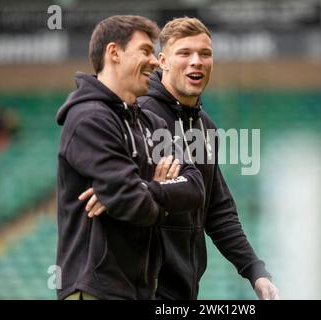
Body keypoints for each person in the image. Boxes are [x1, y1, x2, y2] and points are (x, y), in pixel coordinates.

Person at [80, 17, 280, 300]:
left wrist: (256, 272)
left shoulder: (206, 129)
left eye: (205, 54)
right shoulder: (140, 116)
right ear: (162, 61)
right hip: (142, 289)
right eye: (184, 53)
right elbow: (116, 191)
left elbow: (218, 210)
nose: (196, 61)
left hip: (184, 292)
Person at [56, 15, 204, 300]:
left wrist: (149, 188)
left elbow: (195, 186)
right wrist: (153, 194)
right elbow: (135, 205)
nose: (153, 61)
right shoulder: (88, 119)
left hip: (140, 291)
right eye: (145, 51)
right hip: (95, 290)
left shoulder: (152, 124)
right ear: (114, 52)